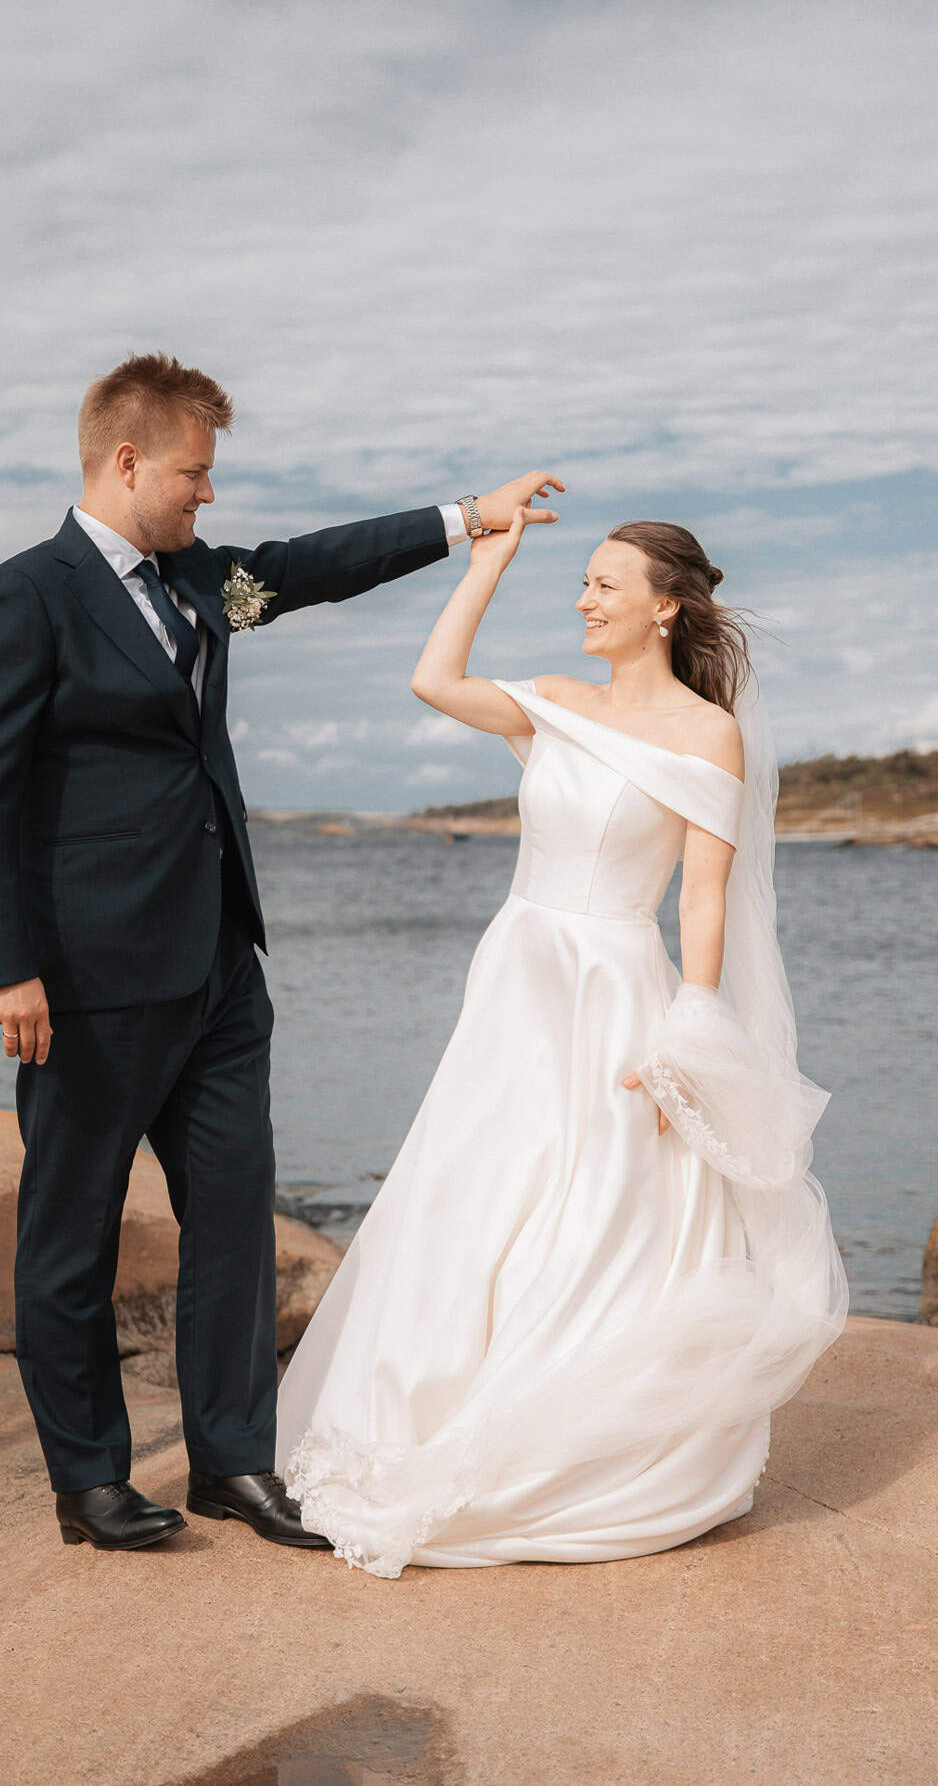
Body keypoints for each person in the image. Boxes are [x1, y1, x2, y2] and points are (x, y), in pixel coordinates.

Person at [0, 349, 558, 1552]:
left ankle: (231, 1462)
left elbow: (305, 573)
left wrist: (466, 519)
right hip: (87, 981)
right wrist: (1, 964)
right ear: (127, 460)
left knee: (232, 1222)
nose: (206, 496)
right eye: (193, 474)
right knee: (74, 1233)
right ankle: (90, 1479)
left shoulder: (203, 588)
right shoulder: (29, 596)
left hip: (220, 965)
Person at [276, 509, 848, 1577]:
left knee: (600, 1211)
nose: (584, 599)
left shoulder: (706, 732)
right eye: (582, 582)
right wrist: (486, 563)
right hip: (518, 978)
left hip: (619, 984)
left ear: (665, 605)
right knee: (473, 1189)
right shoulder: (554, 705)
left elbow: (707, 900)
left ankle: (577, 1447)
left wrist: (693, 1030)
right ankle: (419, 1408)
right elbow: (434, 680)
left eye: (604, 584)